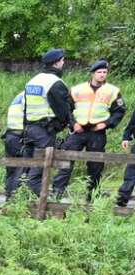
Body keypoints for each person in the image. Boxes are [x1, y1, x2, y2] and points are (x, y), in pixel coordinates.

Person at [4, 50, 75, 201]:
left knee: (24, 168)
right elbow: (63, 109)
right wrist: (69, 124)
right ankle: (46, 205)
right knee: (39, 171)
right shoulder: (55, 82)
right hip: (44, 131)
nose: (64, 63)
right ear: (57, 62)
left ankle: (15, 201)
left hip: (29, 130)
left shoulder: (32, 81)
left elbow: (26, 108)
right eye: (63, 60)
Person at [54, 61, 123, 201]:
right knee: (66, 161)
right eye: (99, 72)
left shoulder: (113, 91)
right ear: (92, 73)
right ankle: (56, 194)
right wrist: (73, 124)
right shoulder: (77, 89)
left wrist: (106, 124)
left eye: (105, 72)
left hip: (97, 132)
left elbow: (119, 111)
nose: (102, 75)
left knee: (96, 165)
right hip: (78, 131)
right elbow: (66, 109)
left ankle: (93, 196)